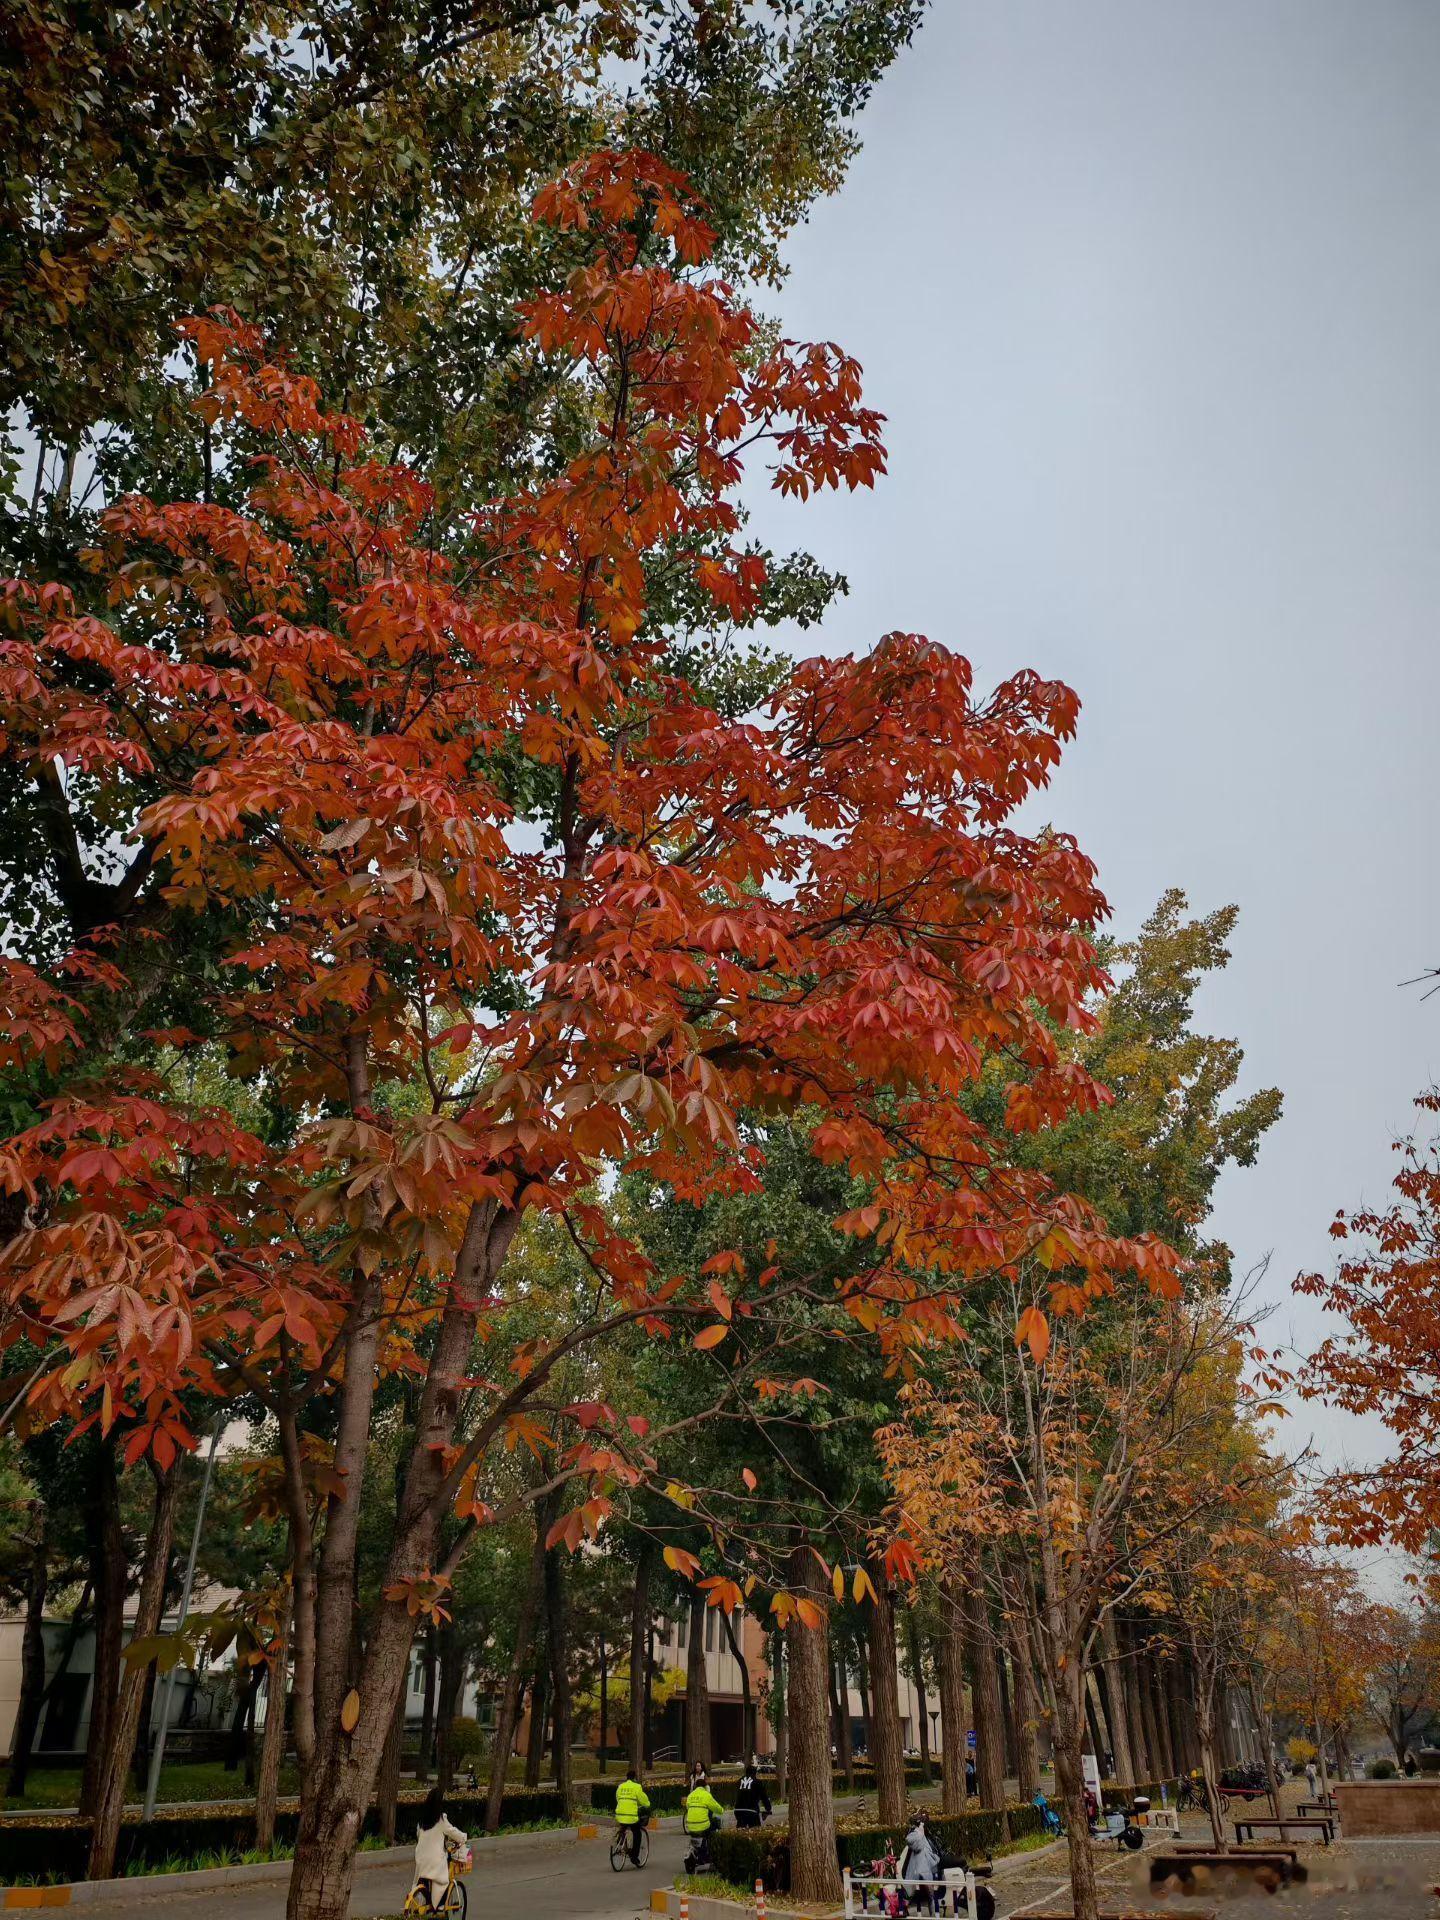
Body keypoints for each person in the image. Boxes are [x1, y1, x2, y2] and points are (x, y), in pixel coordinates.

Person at [412, 1787, 467, 1912]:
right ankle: (440, 1904)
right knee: (444, 1877)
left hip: (420, 1857)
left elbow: (418, 1836)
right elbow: (453, 1832)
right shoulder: (441, 1819)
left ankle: (426, 1901)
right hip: (435, 1858)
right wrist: (463, 1837)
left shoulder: (422, 1820)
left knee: (424, 1876)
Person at [683, 1768, 726, 1871]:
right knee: (714, 1830)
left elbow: (688, 1808)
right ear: (705, 1787)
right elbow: (718, 1808)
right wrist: (721, 1810)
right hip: (703, 1826)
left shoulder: (690, 1796)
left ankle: (698, 1852)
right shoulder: (707, 1795)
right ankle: (712, 1856)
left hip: (690, 1826)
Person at [614, 1765, 651, 1863]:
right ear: (634, 1778)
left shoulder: (620, 1786)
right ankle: (634, 1857)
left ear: (626, 1778)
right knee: (637, 1833)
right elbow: (644, 1801)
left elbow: (618, 1799)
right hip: (631, 1817)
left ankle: (620, 1841)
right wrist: (647, 1805)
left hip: (619, 1815)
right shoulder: (637, 1787)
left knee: (623, 1826)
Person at [733, 1760, 772, 1829]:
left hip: (738, 1810)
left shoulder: (739, 1781)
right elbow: (764, 1797)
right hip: (751, 1810)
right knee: (755, 1830)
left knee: (740, 1830)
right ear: (754, 1773)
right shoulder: (757, 1782)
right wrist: (768, 1809)